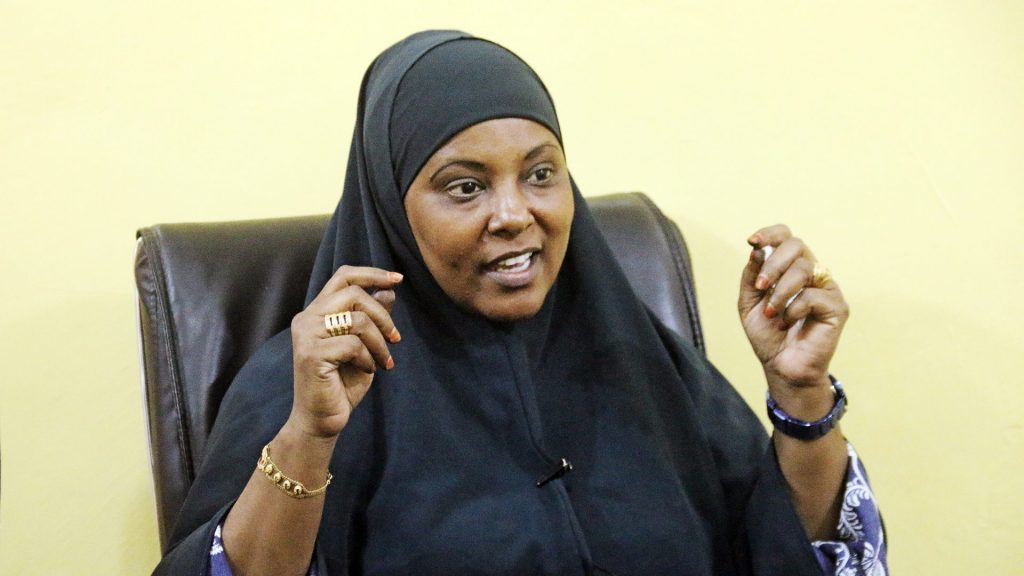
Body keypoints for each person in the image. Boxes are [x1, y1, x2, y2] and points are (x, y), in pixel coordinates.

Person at [153, 30, 887, 575]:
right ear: (390, 208)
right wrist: (309, 441)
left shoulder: (644, 363)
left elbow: (808, 560)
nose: (513, 214)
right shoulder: (308, 391)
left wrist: (802, 398)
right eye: (465, 186)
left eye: (540, 174)